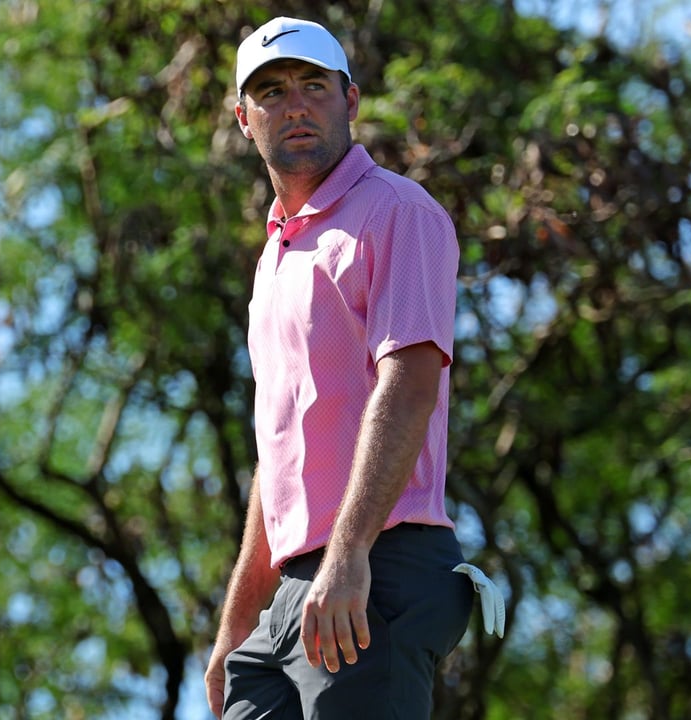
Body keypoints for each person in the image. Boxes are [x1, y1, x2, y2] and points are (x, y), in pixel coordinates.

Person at [204, 16, 477, 719]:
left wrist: (350, 554)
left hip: (378, 566)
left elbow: (410, 386)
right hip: (295, 593)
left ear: (350, 101)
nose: (293, 105)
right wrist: (239, 620)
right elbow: (280, 449)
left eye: (312, 86)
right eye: (270, 92)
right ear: (243, 118)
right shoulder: (276, 256)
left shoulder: (398, 213)